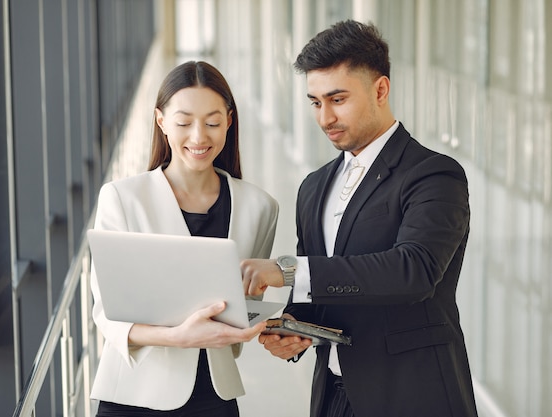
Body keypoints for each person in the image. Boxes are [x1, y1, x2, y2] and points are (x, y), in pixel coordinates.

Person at [240, 20, 478, 417]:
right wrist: (297, 329)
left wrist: (286, 271)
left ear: (380, 89)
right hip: (334, 396)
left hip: (414, 394)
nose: (324, 117)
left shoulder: (433, 174)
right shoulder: (313, 188)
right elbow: (319, 294)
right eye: (315, 102)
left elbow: (413, 271)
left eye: (338, 99)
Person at [90, 61, 279, 417]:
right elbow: (107, 315)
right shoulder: (122, 198)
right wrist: (178, 338)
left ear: (229, 121)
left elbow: (244, 305)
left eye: (211, 122)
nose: (198, 137)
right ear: (161, 121)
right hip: (133, 396)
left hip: (215, 396)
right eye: (183, 122)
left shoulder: (259, 207)